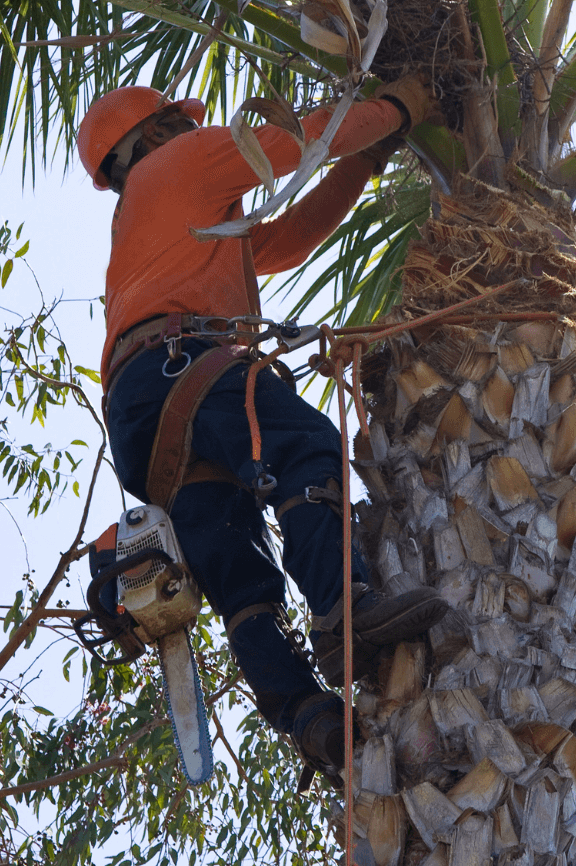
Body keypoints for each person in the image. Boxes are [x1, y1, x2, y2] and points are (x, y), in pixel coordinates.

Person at [79, 77, 449, 775]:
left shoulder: (157, 215)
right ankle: (344, 605)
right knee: (306, 448)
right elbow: (295, 142)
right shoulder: (180, 164)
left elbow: (289, 241)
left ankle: (306, 716)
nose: (195, 129)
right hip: (181, 364)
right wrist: (402, 107)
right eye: (180, 123)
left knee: (242, 579)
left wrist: (369, 160)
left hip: (141, 417)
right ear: (155, 134)